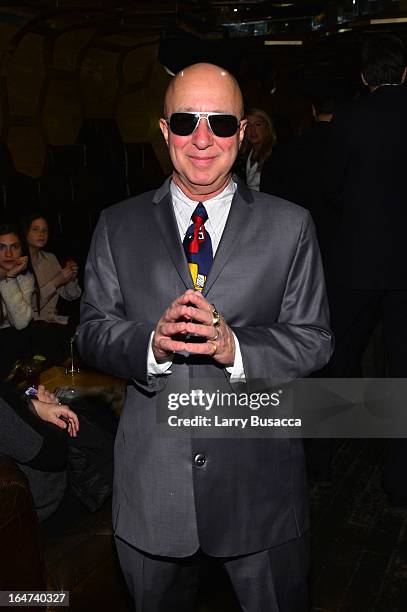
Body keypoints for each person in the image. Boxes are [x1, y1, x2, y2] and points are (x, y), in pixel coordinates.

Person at [77, 62, 332, 611]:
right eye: (187, 120)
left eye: (219, 123)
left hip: (258, 488)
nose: (201, 138)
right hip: (152, 490)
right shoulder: (116, 225)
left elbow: (314, 339)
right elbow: (91, 332)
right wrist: (150, 344)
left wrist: (234, 347)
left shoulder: (291, 225)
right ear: (164, 129)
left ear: (243, 134)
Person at [322, 35, 407, 502]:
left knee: (334, 357)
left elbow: (332, 186)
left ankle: (320, 462)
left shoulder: (350, 117)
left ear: (363, 76)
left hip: (357, 259)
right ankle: (399, 480)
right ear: (406, 72)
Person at [1, 382, 79, 520]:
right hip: (36, 507)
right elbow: (54, 457)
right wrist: (48, 417)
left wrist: (32, 399)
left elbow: (14, 387)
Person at [22, 213, 81, 364]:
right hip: (31, 325)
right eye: (35, 229)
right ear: (26, 232)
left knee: (82, 326)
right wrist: (56, 281)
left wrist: (71, 278)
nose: (41, 234)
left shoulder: (50, 258)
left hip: (52, 322)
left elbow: (71, 295)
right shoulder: (19, 262)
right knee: (48, 336)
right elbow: (29, 305)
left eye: (45, 230)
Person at [0, 223, 34, 378]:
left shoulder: (24, 278)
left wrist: (10, 278)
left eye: (14, 247)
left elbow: (20, 323)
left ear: (22, 251)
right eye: (1, 247)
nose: (8, 254)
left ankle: (28, 394)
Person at [234, 108, 277, 190]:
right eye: (248, 125)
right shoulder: (242, 154)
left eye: (257, 124)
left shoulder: (276, 155)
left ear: (267, 127)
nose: (252, 130)